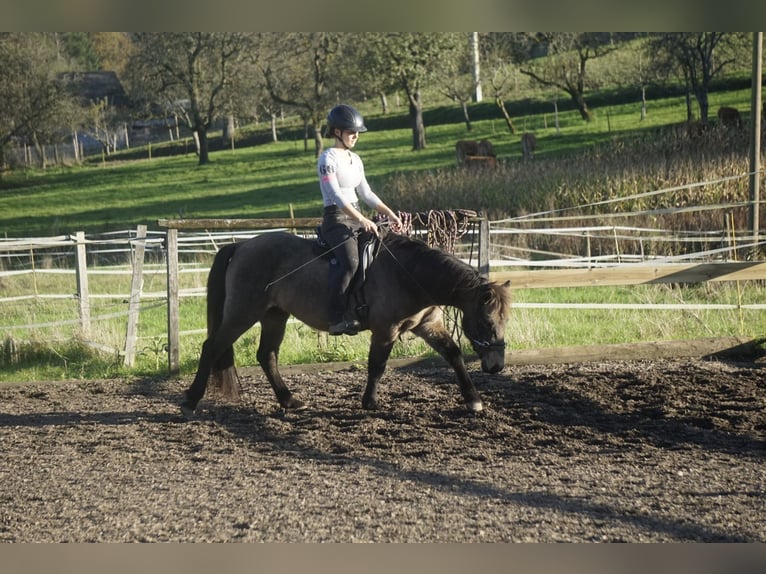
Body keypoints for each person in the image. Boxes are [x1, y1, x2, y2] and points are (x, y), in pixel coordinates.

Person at [317, 103, 402, 336]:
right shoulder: (327, 158)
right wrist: (363, 219)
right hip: (336, 219)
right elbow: (335, 194)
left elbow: (366, 194)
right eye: (351, 132)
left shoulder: (356, 159)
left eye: (356, 133)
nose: (355, 136)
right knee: (351, 263)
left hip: (355, 214)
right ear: (337, 132)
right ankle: (335, 317)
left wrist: (390, 213)